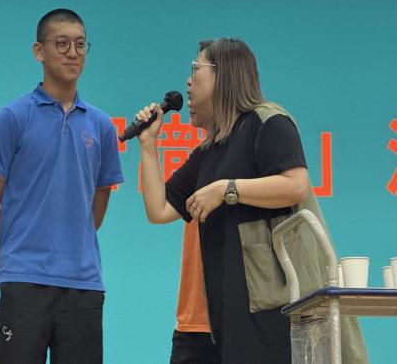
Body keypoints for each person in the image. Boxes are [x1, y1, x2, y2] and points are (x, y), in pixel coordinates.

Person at [135, 38, 368, 364]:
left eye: (196, 69)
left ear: (223, 75)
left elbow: (296, 185)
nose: (188, 82)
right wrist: (148, 146)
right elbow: (159, 210)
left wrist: (227, 189)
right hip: (226, 310)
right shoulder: (208, 150)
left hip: (270, 306)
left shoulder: (267, 121)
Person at [0, 8, 124, 364]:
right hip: (23, 285)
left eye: (80, 45)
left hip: (84, 285)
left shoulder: (101, 126)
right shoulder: (12, 117)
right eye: (62, 44)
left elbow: (98, 203)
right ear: (39, 51)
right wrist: (12, 263)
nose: (73, 53)